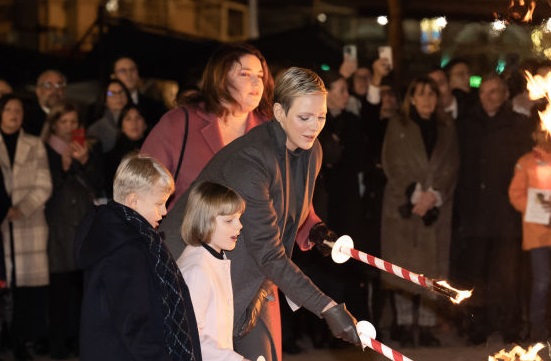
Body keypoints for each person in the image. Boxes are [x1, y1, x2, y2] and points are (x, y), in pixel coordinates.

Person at [160, 67, 360, 361]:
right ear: (279, 112)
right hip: (199, 278)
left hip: (252, 276)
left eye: (321, 117)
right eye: (304, 117)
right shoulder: (251, 159)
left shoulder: (312, 150)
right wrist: (326, 307)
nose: (314, 127)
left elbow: (288, 222)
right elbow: (268, 250)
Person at [75, 153, 202, 361]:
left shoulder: (128, 237)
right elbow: (133, 324)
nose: (164, 212)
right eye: (159, 203)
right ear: (133, 201)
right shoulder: (125, 249)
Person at [141, 43, 273, 213]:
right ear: (220, 77)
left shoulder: (270, 131)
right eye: (245, 74)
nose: (256, 82)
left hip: (252, 238)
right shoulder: (180, 122)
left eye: (260, 76)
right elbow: (142, 187)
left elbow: (293, 203)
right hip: (185, 236)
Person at [453, 73, 533, 344]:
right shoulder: (467, 125)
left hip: (506, 214)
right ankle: (477, 327)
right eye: (484, 91)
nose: (489, 97)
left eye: (495, 91)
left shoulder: (517, 125)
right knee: (477, 276)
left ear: (505, 95)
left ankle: (510, 327)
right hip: (475, 214)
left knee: (508, 276)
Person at [381, 75, 459, 348]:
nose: (427, 99)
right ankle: (403, 324)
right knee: (403, 265)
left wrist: (434, 194)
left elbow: (452, 165)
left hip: (434, 207)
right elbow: (391, 162)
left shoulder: (446, 127)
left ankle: (426, 325)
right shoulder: (397, 125)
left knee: (430, 267)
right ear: (411, 98)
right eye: (421, 94)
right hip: (404, 204)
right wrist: (413, 191)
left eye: (432, 94)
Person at [42, 101, 104, 359]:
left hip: (83, 225)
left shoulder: (89, 147)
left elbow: (100, 183)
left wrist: (85, 160)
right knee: (58, 288)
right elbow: (45, 190)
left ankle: (80, 343)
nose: (69, 128)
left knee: (82, 289)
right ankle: (56, 342)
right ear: (54, 125)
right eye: (64, 122)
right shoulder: (44, 150)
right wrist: (65, 169)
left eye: (73, 123)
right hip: (56, 227)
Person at [0, 94, 53, 360]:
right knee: (5, 284)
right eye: (8, 109)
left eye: (18, 110)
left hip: (28, 222)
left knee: (28, 287)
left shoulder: (34, 144)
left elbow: (44, 184)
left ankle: (25, 340)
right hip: (2, 225)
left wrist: (21, 208)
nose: (13, 114)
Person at [178, 181, 248, 361]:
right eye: (229, 220)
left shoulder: (215, 258)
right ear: (205, 221)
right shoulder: (197, 270)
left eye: (239, 218)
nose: (239, 226)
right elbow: (191, 337)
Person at [509, 125, 551, 342]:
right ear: (534, 134)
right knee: (542, 282)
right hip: (538, 235)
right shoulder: (526, 162)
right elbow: (515, 194)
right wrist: (541, 209)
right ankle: (538, 330)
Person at [104, 103, 149, 198]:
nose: (134, 123)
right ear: (121, 127)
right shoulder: (110, 158)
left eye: (138, 118)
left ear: (145, 125)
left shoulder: (155, 151)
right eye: (128, 119)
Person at [111, 56, 166, 128]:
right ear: (113, 76)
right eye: (123, 71)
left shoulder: (156, 107)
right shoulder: (101, 107)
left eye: (132, 70)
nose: (129, 74)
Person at [86, 79, 132, 153]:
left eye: (121, 92)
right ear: (104, 100)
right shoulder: (96, 130)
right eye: (111, 93)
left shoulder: (139, 121)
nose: (118, 96)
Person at [25, 69, 67, 136]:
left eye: (59, 85)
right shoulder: (26, 118)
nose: (54, 90)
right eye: (48, 86)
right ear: (38, 91)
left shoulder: (71, 116)